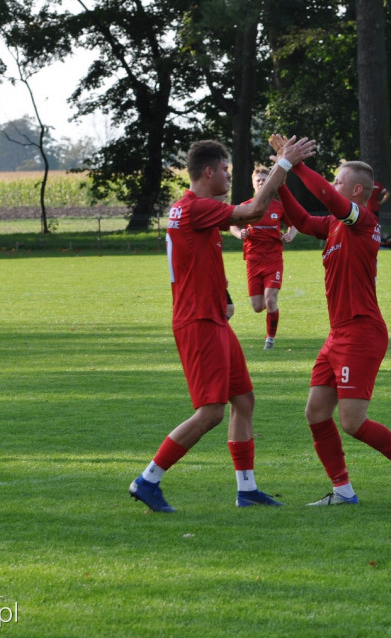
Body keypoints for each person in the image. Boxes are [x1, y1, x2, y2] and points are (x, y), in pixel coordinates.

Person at [129, 136, 316, 513]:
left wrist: (226, 297)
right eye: (227, 169)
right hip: (198, 322)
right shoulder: (195, 207)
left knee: (243, 401)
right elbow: (252, 212)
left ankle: (246, 490)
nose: (230, 175)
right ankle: (148, 479)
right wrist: (284, 165)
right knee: (211, 412)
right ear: (210, 171)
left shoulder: (192, 208)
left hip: (212, 317)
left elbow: (200, 258)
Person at [269, 133, 391, 507]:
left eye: (338, 180)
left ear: (357, 190)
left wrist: (294, 163)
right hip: (339, 335)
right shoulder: (334, 225)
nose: (332, 186)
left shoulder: (360, 220)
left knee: (352, 422)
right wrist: (279, 174)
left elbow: (327, 198)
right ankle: (343, 491)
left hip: (362, 332)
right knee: (316, 413)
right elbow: (299, 217)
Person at [229, 165, 297, 350]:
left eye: (265, 180)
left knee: (270, 300)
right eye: (258, 180)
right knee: (258, 307)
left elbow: (294, 224)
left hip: (273, 259)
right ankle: (271, 315)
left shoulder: (279, 206)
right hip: (253, 260)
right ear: (253, 183)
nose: (261, 183)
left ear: (270, 184)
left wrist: (291, 234)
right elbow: (232, 226)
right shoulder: (246, 206)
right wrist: (239, 233)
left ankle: (270, 340)